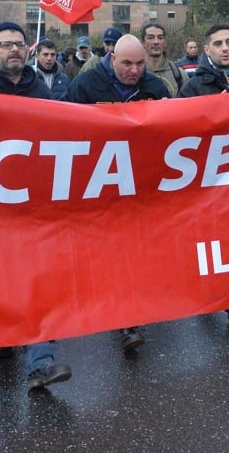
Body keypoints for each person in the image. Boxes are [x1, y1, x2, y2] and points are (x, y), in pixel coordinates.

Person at [0, 22, 75, 389]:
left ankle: (41, 360)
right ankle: (2, 333)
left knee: (38, 278)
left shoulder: (37, 88)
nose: (14, 50)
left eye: (20, 44)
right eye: (6, 45)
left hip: (31, 203)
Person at [64, 34, 171, 351]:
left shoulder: (155, 88)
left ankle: (128, 315)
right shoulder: (86, 85)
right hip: (101, 183)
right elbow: (62, 124)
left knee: (133, 249)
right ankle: (123, 317)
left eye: (140, 64)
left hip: (140, 185)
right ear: (112, 58)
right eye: (127, 63)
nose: (134, 70)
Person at [178, 25, 229, 335]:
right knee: (214, 244)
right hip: (208, 183)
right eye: (218, 44)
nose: (225, 48)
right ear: (207, 50)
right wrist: (212, 114)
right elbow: (178, 131)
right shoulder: (193, 87)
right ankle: (221, 299)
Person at [141, 23, 186, 96]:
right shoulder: (136, 74)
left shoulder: (179, 75)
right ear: (143, 42)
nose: (156, 42)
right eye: (150, 37)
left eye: (160, 37)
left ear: (165, 42)